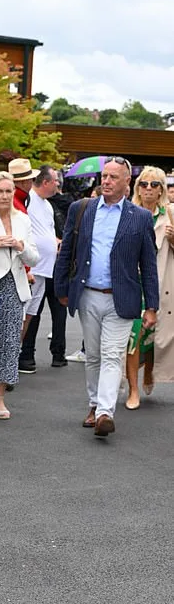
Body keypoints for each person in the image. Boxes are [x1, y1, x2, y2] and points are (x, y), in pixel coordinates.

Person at [54, 157, 158, 438]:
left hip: (122, 299)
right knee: (95, 357)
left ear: (127, 183)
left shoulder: (140, 217)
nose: (107, 181)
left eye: (114, 177)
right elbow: (67, 252)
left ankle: (104, 413)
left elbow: (149, 265)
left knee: (113, 355)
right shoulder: (82, 210)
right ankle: (93, 403)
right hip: (88, 295)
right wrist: (61, 288)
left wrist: (152, 306)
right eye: (105, 176)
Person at [0, 172, 39, 418]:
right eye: (0, 191)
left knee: (10, 344)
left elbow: (35, 257)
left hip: (15, 286)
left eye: (9, 191)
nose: (4, 196)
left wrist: (20, 246)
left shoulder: (22, 219)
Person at [124, 167, 174, 408]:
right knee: (133, 336)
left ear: (162, 189)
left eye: (154, 185)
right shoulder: (127, 212)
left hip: (161, 284)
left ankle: (149, 370)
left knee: (155, 337)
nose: (148, 189)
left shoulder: (171, 215)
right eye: (144, 184)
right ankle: (133, 389)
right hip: (134, 284)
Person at [19, 165, 67, 372]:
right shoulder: (28, 199)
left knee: (31, 314)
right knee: (24, 314)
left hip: (46, 268)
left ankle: (17, 355)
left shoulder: (47, 205)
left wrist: (55, 242)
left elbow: (46, 232)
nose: (58, 184)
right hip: (33, 268)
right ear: (45, 182)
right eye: (55, 180)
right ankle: (19, 355)